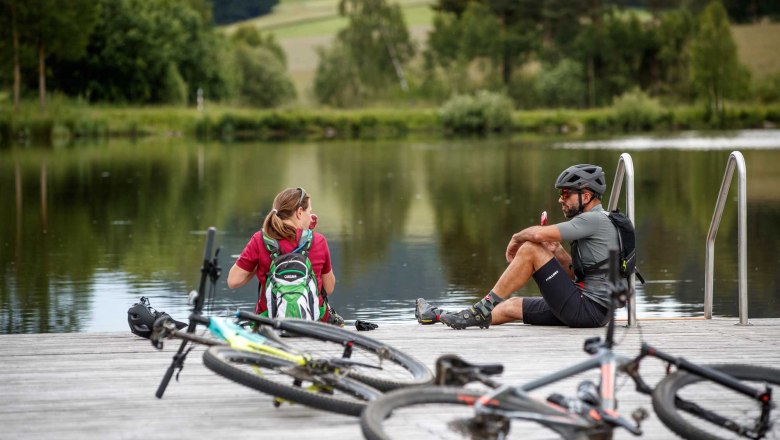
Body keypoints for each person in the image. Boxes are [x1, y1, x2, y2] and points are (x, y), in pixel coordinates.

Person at [416, 164, 620, 329]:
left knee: (531, 248)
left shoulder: (594, 220)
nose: (560, 199)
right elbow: (575, 276)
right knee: (511, 306)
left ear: (585, 197)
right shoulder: (596, 222)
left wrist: (516, 238)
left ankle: (481, 309)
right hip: (590, 309)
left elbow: (537, 234)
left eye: (566, 194)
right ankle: (438, 315)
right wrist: (557, 251)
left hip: (587, 310)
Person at [227, 187, 340, 324]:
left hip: (270, 323)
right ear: (299, 212)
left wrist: (259, 266)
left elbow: (233, 281)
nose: (311, 217)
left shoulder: (260, 239)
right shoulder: (318, 241)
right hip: (314, 323)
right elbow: (329, 288)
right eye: (309, 212)